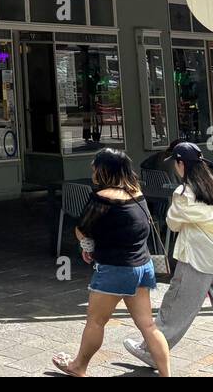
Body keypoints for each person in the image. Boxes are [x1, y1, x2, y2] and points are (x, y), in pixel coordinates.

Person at [124, 142, 213, 377]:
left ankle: (151, 351)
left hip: (196, 259)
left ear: (180, 163)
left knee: (174, 308)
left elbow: (173, 223)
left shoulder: (183, 193)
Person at [52, 148, 171, 377]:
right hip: (143, 266)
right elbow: (139, 227)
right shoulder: (137, 193)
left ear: (103, 169)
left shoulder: (103, 198)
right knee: (148, 325)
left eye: (95, 166)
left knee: (96, 321)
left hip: (115, 268)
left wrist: (86, 246)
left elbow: (82, 229)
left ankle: (78, 367)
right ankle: (166, 374)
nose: (93, 170)